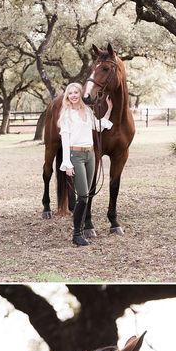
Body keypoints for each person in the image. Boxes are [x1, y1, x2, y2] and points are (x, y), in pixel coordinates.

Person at [58, 82, 113, 246]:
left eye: (76, 92)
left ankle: (81, 230)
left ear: (80, 94)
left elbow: (99, 125)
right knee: (82, 195)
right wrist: (67, 163)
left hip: (90, 154)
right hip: (76, 155)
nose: (73, 95)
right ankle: (77, 234)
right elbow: (65, 140)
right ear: (67, 97)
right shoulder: (66, 115)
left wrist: (109, 109)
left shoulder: (87, 111)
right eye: (70, 93)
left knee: (87, 195)